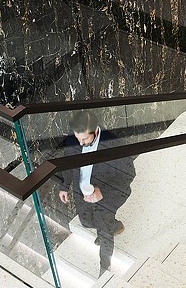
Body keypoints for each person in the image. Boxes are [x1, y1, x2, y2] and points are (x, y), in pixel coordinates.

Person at [58, 111, 136, 275]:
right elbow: (68, 162)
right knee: (86, 221)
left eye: (85, 139)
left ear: (96, 131)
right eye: (78, 139)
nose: (80, 143)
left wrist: (103, 192)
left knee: (104, 233)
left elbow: (129, 175)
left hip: (106, 196)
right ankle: (114, 226)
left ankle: (104, 269)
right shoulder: (75, 137)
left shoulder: (115, 146)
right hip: (82, 192)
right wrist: (65, 186)